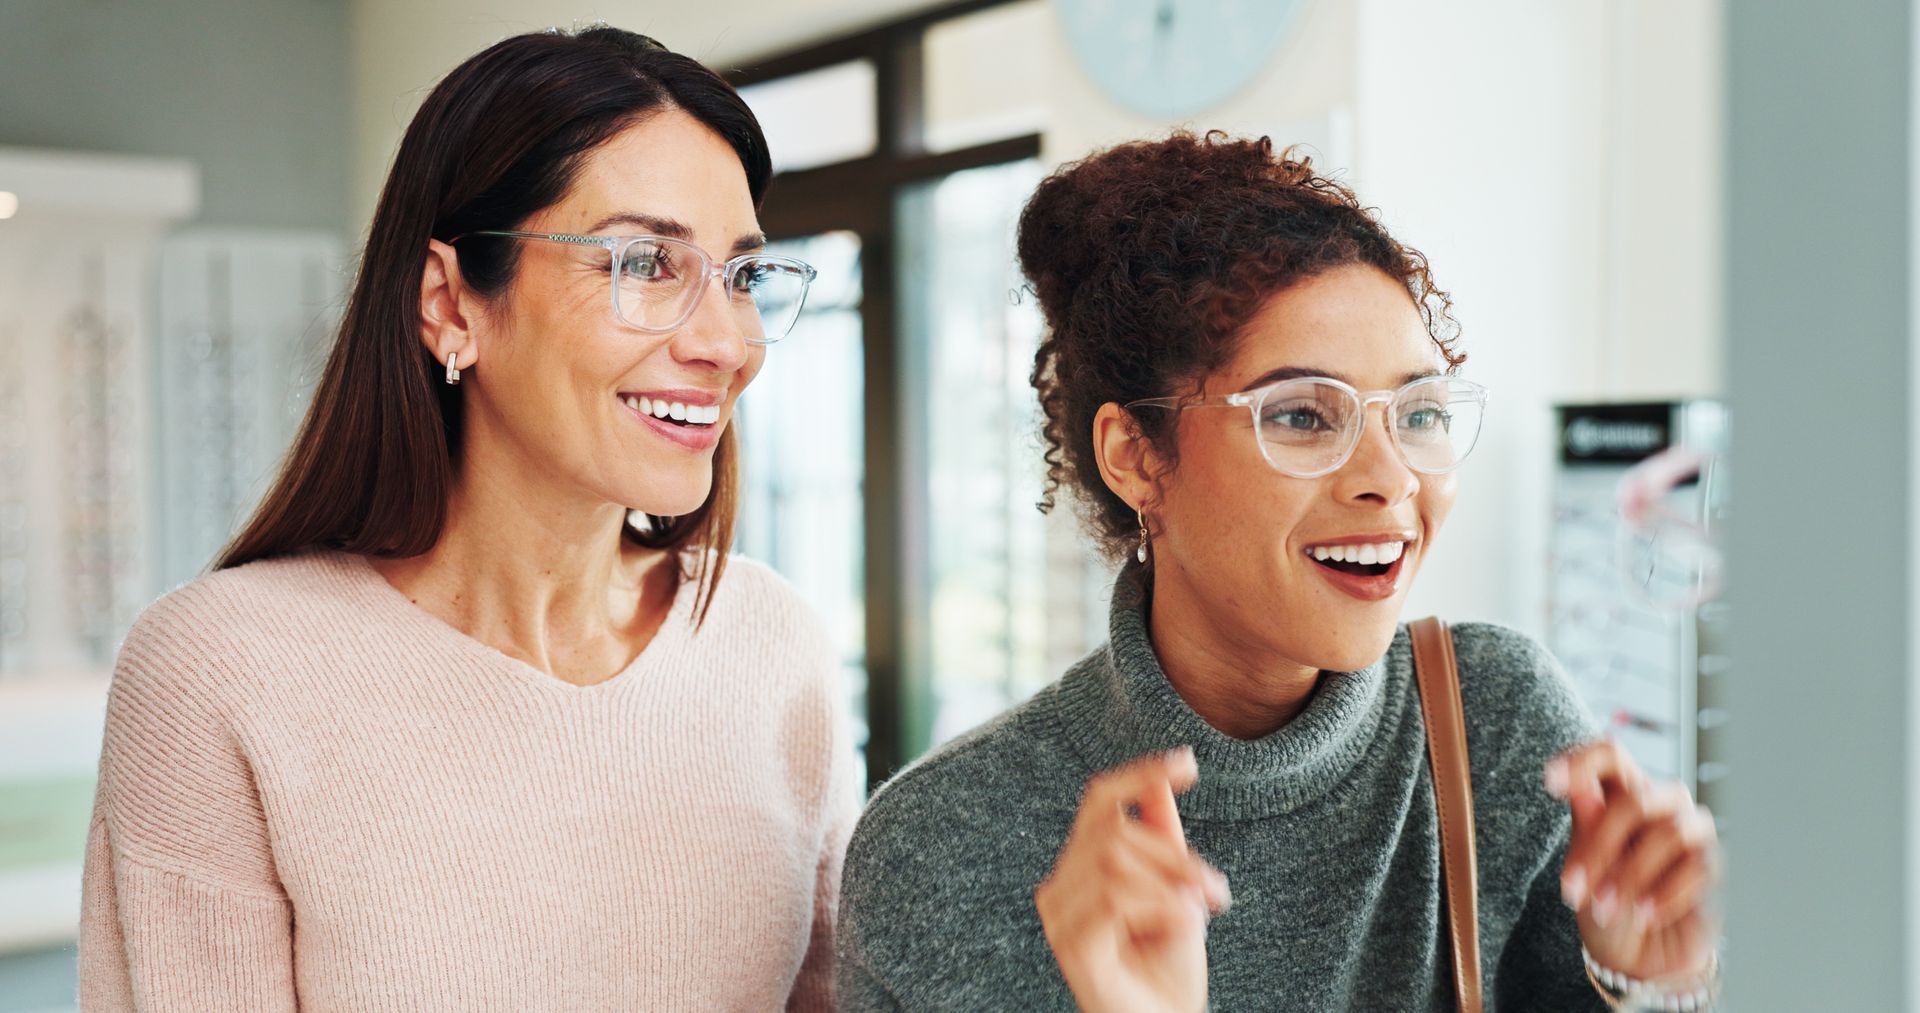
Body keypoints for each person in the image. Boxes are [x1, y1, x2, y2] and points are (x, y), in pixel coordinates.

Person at [836, 132, 1720, 1011]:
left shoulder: (1499, 722)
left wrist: (1653, 985)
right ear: (1136, 456)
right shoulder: (942, 846)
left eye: (1418, 412)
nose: (1390, 478)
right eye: (1301, 415)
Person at [78, 26, 856, 1011]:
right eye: (648, 262)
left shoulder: (771, 645)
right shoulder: (220, 670)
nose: (726, 342)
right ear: (451, 304)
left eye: (742, 275)